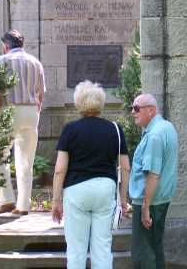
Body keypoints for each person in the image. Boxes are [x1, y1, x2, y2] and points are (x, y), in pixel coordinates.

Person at [52, 81, 130, 269]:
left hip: (76, 190)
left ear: (78, 103)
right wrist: (123, 198)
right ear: (101, 103)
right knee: (102, 247)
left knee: (76, 249)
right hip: (105, 188)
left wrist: (56, 200)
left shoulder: (70, 129)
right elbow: (125, 167)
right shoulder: (115, 129)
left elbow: (60, 169)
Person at [0, 29, 46, 215]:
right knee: (26, 161)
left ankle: (6, 199)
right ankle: (23, 205)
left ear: (6, 46)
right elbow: (41, 92)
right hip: (32, 112)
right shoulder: (35, 62)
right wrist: (35, 110)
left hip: (10, 109)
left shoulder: (3, 60)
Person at [129, 94, 178, 269]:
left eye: (136, 108)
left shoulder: (155, 135)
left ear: (151, 110)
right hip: (161, 199)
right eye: (132, 108)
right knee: (155, 249)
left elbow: (153, 174)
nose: (132, 112)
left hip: (150, 201)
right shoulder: (166, 127)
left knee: (143, 255)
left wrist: (145, 207)